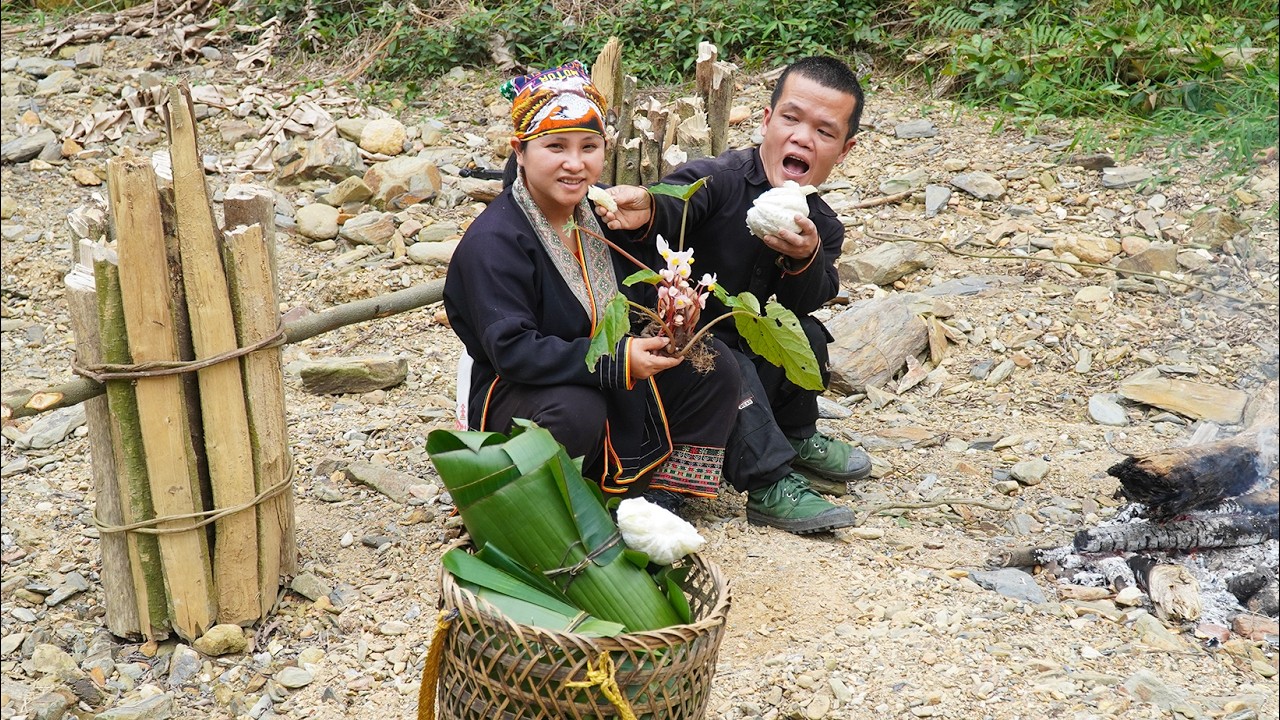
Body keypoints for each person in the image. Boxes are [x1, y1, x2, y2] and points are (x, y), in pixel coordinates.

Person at [443, 61, 742, 501]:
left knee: (711, 363)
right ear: (519, 151)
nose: (575, 164)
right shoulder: (495, 240)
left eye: (589, 146)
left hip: (608, 369)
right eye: (555, 147)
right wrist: (617, 363)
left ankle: (663, 495)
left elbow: (636, 296)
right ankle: (543, 503)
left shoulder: (600, 217)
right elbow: (511, 350)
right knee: (577, 410)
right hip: (527, 388)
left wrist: (671, 316)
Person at [599, 56, 871, 534]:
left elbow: (816, 294)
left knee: (806, 334)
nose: (803, 138)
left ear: (844, 151)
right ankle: (768, 483)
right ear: (766, 121)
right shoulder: (721, 179)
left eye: (824, 132)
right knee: (727, 354)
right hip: (675, 361)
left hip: (739, 357)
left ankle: (795, 435)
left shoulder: (820, 224)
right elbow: (672, 200)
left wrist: (804, 259)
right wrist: (648, 207)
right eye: (790, 118)